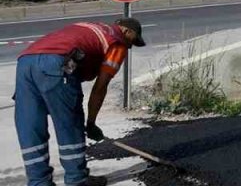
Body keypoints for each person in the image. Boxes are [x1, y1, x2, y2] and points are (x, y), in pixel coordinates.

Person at [13, 18, 145, 186]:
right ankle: (77, 180)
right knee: (69, 124)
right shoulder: (117, 42)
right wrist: (91, 123)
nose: (130, 46)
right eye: (132, 41)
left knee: (31, 125)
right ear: (127, 31)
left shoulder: (92, 27)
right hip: (58, 62)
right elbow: (100, 87)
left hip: (25, 63)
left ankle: (38, 182)